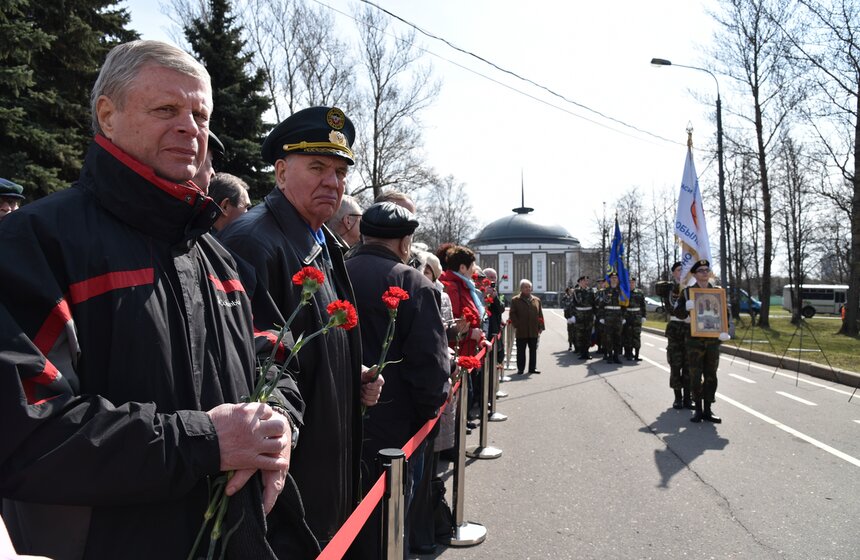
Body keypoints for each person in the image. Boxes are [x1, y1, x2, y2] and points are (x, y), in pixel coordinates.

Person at [0, 40, 307, 559]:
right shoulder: (35, 243)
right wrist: (205, 442)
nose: (191, 128)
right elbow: (26, 431)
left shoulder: (216, 255)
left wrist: (276, 427)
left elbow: (273, 357)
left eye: (200, 113)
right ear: (108, 115)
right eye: (166, 109)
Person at [217, 105, 384, 552]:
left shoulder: (323, 242)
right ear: (280, 171)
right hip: (287, 488)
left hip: (324, 471)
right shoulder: (253, 243)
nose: (332, 181)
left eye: (339, 171)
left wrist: (354, 374)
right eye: (317, 167)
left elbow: (313, 345)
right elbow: (254, 368)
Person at [345, 202, 450, 558]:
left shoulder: (339, 272)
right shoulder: (415, 283)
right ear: (406, 243)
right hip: (398, 431)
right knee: (390, 525)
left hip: (340, 420)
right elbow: (430, 365)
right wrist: (428, 415)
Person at [673, 259, 730, 423]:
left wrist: (724, 331)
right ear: (695, 274)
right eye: (701, 271)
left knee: (711, 375)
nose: (705, 273)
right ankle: (698, 409)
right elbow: (678, 313)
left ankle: (708, 409)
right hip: (694, 341)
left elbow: (725, 313)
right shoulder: (687, 292)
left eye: (707, 270)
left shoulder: (718, 292)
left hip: (713, 340)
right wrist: (686, 308)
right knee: (695, 375)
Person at [663, 261, 692, 409]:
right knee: (676, 364)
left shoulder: (693, 287)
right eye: (679, 270)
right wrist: (683, 312)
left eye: (684, 270)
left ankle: (688, 398)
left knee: (689, 365)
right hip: (675, 329)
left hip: (690, 329)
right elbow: (670, 307)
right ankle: (678, 397)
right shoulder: (670, 288)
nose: (682, 272)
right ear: (674, 273)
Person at [508, 279, 545, 374]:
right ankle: (521, 368)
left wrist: (541, 326)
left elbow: (540, 314)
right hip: (522, 330)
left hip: (533, 330)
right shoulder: (515, 300)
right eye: (525, 287)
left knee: (533, 350)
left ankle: (532, 368)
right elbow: (512, 314)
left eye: (529, 287)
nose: (528, 289)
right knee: (521, 350)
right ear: (521, 289)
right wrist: (517, 324)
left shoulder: (537, 300)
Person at [598, 272, 625, 364]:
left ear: (618, 280)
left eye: (616, 278)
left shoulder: (621, 291)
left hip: (618, 318)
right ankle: (609, 356)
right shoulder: (605, 291)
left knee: (617, 337)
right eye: (612, 278)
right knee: (608, 338)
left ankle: (616, 356)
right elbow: (601, 305)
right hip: (608, 318)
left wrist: (624, 317)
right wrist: (601, 317)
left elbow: (625, 306)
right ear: (609, 279)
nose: (614, 279)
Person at [571, 275, 595, 360]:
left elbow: (594, 304)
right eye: (584, 281)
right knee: (580, 335)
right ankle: (581, 353)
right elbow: (573, 304)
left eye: (587, 281)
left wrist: (594, 314)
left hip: (589, 315)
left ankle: (587, 352)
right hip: (579, 315)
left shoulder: (591, 291)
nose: (586, 282)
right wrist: (573, 316)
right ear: (580, 282)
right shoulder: (575, 292)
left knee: (588, 335)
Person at [623, 277, 647, 360]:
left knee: (637, 335)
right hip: (627, 316)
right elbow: (622, 306)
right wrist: (622, 317)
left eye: (633, 282)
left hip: (637, 317)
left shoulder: (639, 292)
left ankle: (637, 355)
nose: (631, 284)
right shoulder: (624, 292)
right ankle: (628, 354)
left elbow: (643, 305)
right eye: (629, 282)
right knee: (627, 336)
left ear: (635, 283)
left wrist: (644, 316)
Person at [561, 286, 576, 352]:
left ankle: (576, 346)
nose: (571, 291)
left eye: (572, 291)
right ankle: (570, 345)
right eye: (570, 290)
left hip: (576, 317)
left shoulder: (575, 297)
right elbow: (564, 306)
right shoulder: (565, 297)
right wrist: (567, 318)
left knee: (576, 332)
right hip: (569, 317)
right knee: (570, 332)